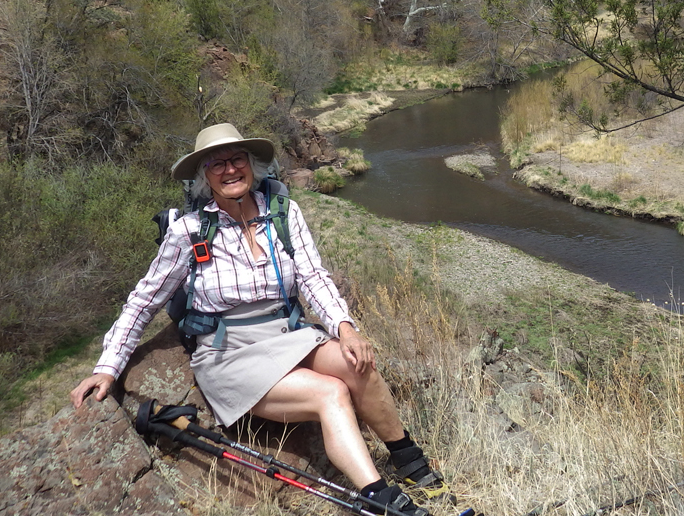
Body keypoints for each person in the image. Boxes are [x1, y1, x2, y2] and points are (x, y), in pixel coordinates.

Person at [71, 123, 444, 515]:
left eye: (237, 160)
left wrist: (344, 328)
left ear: (251, 165)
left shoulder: (282, 213)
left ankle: (408, 459)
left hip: (288, 332)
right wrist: (108, 367)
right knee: (329, 392)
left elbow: (312, 276)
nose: (230, 170)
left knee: (357, 364)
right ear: (204, 176)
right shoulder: (190, 230)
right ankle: (378, 498)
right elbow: (143, 300)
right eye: (217, 164)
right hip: (227, 353)